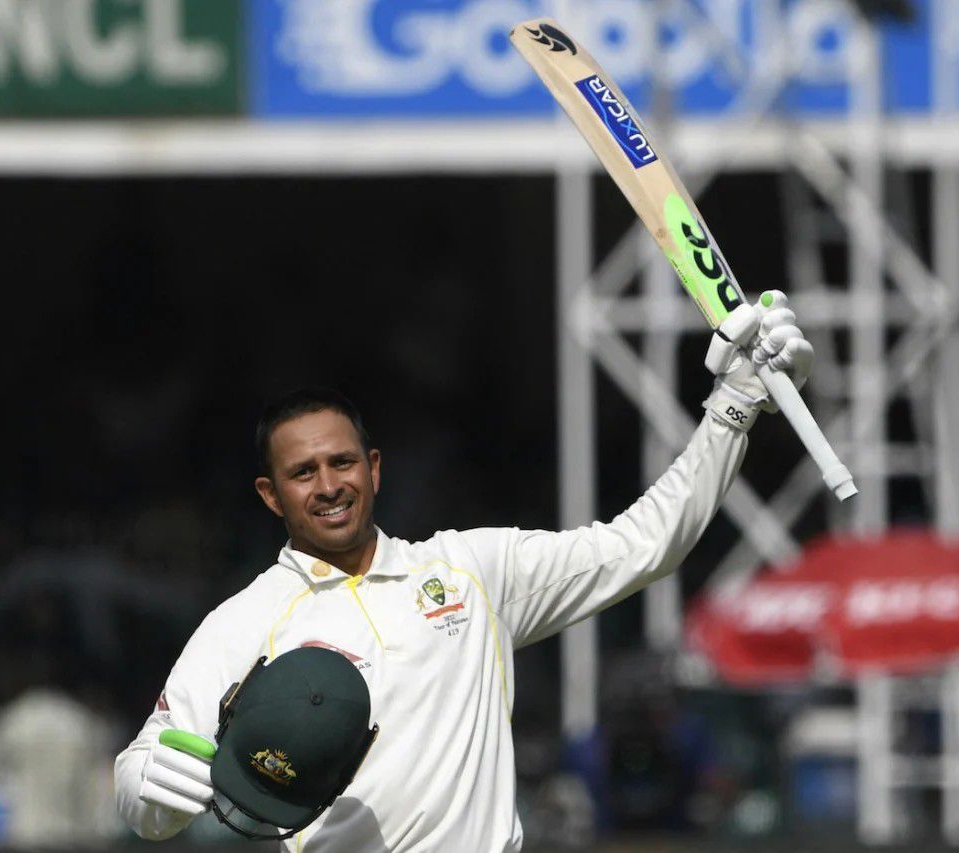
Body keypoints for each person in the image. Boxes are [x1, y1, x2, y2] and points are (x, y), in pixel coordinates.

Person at [114, 292, 814, 851]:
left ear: (375, 468)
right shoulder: (245, 620)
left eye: (343, 462)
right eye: (302, 472)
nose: (328, 485)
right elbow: (148, 769)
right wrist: (144, 788)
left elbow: (646, 544)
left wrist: (735, 405)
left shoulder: (471, 570)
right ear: (271, 495)